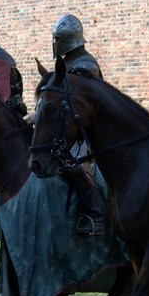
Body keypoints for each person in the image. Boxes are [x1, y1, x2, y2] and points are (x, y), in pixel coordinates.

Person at [50, 13, 106, 237]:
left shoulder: (85, 65)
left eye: (58, 39)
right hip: (72, 127)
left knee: (74, 162)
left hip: (90, 129)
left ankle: (95, 215)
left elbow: (76, 101)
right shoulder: (69, 63)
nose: (55, 44)